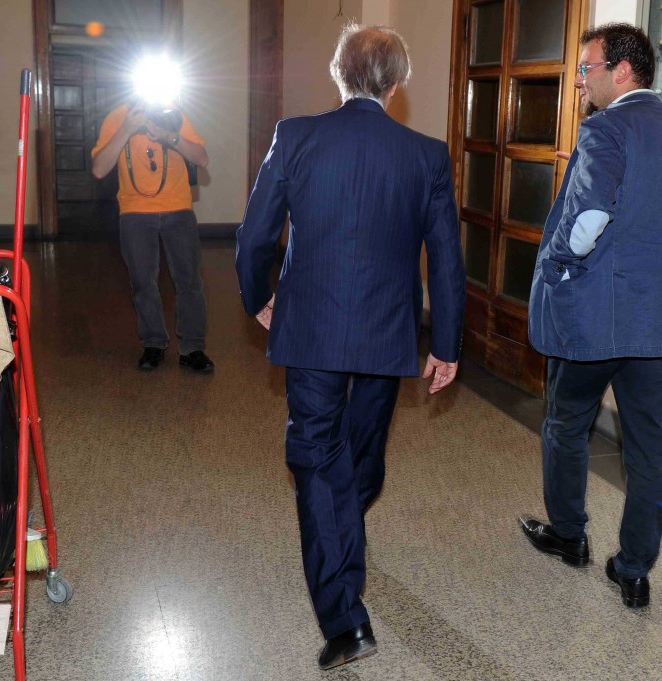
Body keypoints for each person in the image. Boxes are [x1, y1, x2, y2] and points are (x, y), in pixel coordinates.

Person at [236, 24, 465, 670]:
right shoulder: (426, 156)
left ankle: (340, 583)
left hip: (311, 329)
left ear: (340, 74)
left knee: (321, 458)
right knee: (356, 453)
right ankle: (344, 602)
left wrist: (258, 298)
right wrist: (447, 342)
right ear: (397, 85)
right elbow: (446, 259)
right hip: (388, 335)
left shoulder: (295, 137)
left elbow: (254, 237)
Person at [519, 23, 662, 609]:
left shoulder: (605, 130)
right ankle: (634, 571)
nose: (580, 81)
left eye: (587, 69)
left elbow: (587, 220)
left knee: (566, 424)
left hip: (598, 320)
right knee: (648, 448)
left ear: (623, 71)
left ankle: (569, 536)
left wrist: (555, 268)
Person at [91, 92, 214, 372]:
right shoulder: (117, 117)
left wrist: (170, 136)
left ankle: (193, 347)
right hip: (134, 211)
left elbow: (202, 158)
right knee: (142, 281)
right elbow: (99, 170)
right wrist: (126, 129)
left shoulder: (174, 113)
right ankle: (153, 343)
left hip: (178, 208)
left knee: (189, 280)